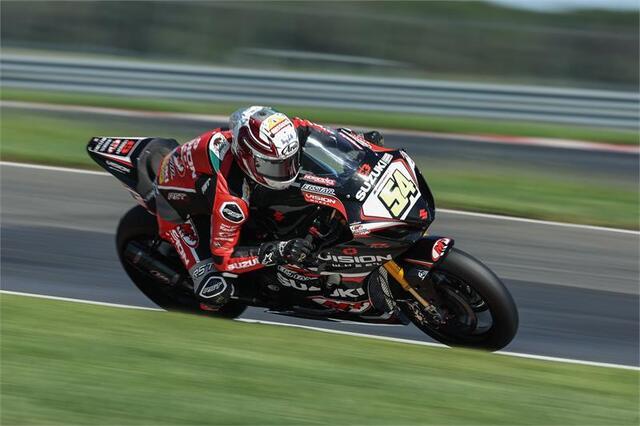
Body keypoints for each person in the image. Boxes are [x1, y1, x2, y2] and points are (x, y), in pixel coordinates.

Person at [153, 106, 383, 310]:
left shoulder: (282, 131)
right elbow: (225, 257)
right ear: (247, 158)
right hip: (176, 204)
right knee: (213, 287)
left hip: (215, 178)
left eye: (288, 162)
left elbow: (325, 135)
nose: (286, 171)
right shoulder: (231, 196)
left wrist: (360, 143)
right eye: (274, 166)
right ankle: (199, 277)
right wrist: (280, 250)